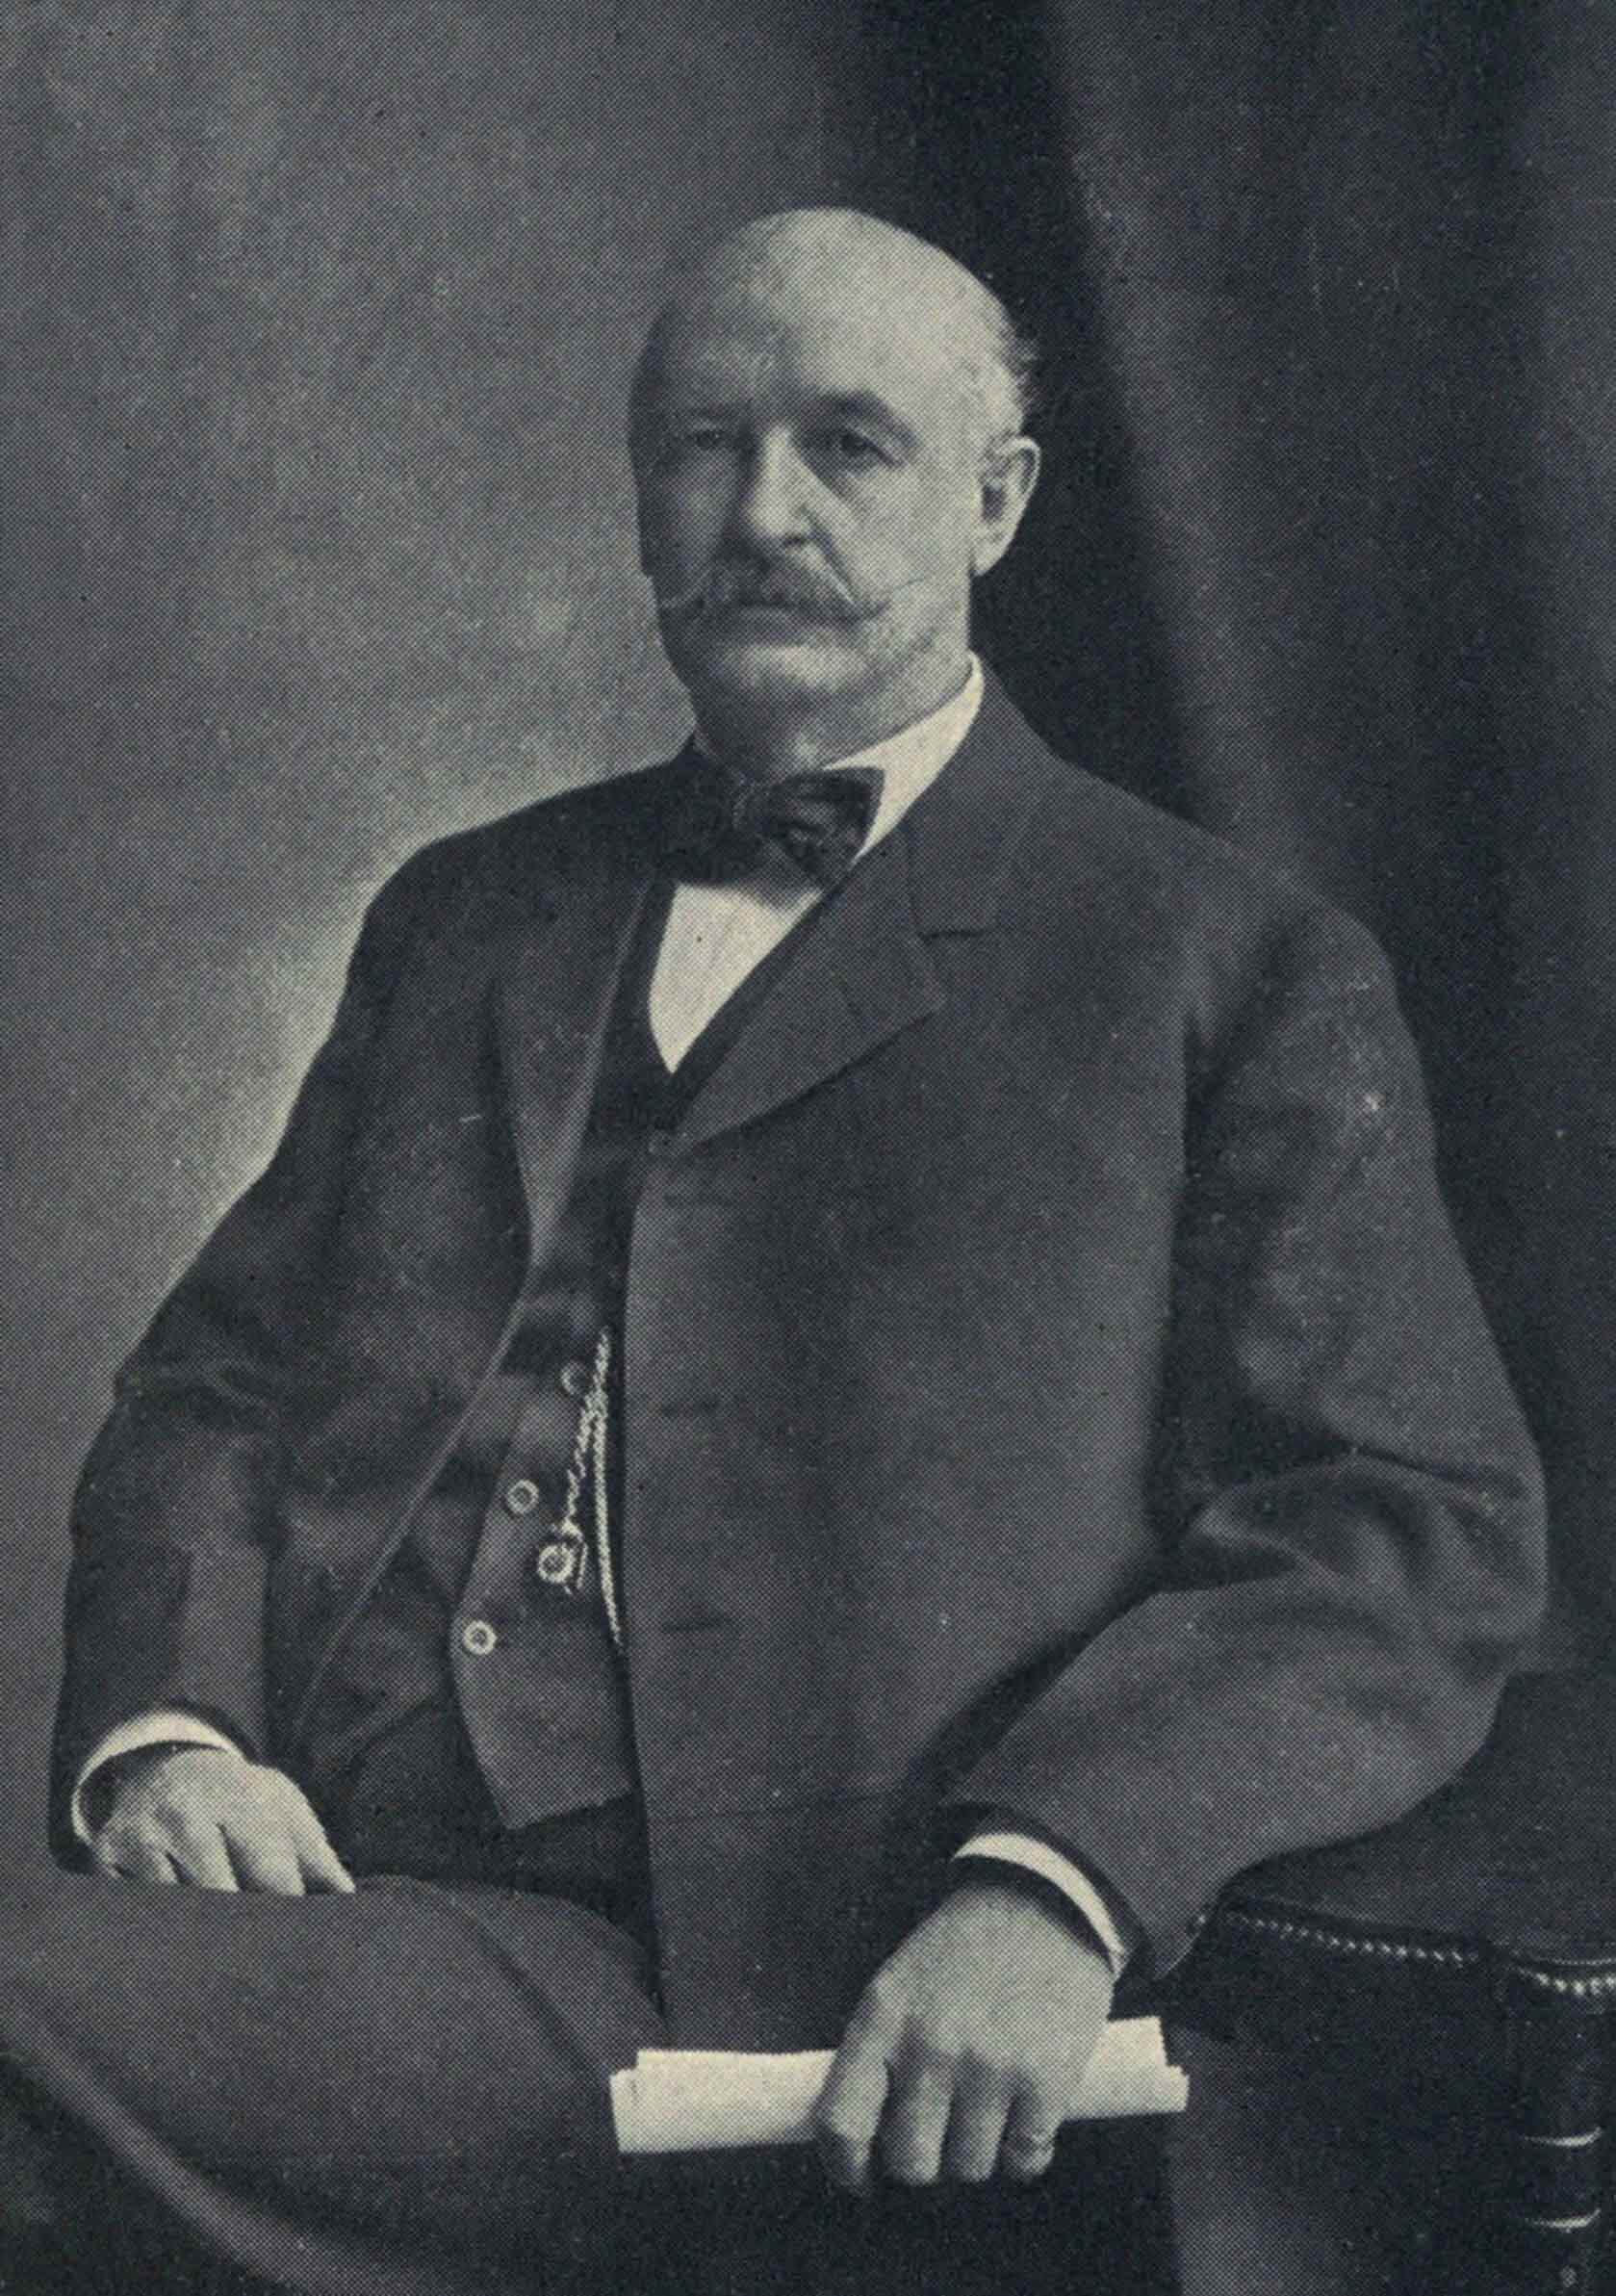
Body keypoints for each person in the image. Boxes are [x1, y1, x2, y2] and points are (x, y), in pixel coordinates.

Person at [2, 207, 1544, 2296]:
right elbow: (219, 1392)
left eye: (850, 448)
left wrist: (1058, 1879)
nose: (761, 513)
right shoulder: (468, 910)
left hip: (739, 1989)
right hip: (323, 1893)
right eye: (704, 445)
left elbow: (1408, 1517)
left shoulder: (1221, 962)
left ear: (996, 498)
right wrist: (166, 1731)